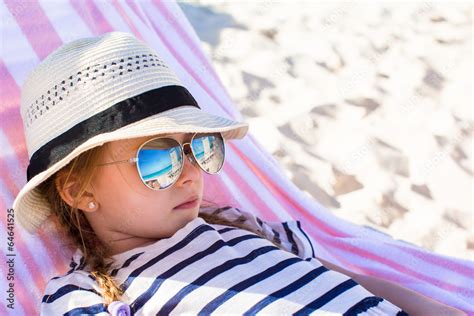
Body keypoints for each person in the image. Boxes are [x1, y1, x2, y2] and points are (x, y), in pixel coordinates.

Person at [12, 32, 462, 316]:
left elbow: (345, 278)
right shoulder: (89, 294)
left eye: (201, 148)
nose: (192, 174)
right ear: (79, 190)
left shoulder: (241, 227)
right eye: (158, 159)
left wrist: (433, 308)